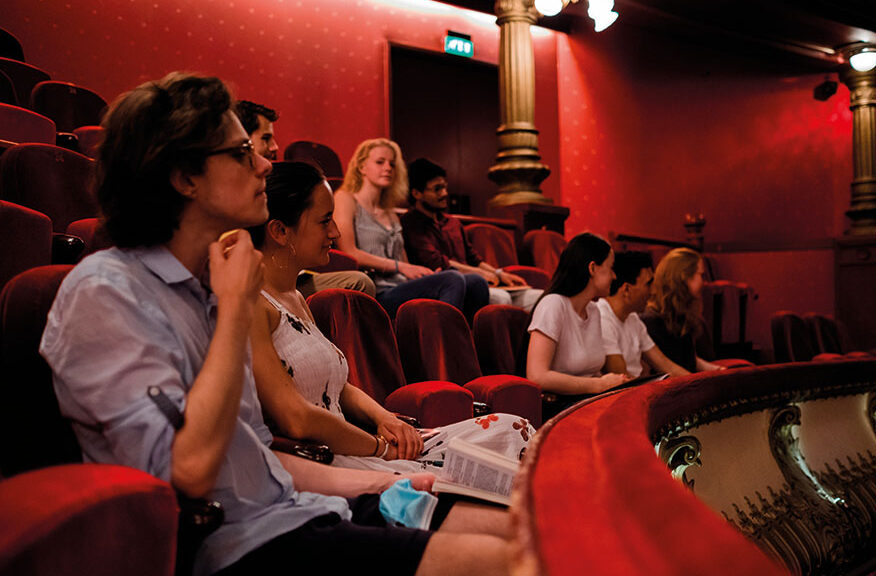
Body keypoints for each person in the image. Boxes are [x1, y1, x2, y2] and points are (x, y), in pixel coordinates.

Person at [39, 73, 510, 576]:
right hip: (235, 546)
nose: (265, 163)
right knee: (515, 562)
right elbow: (190, 472)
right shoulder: (107, 292)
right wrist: (235, 305)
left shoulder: (210, 285)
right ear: (185, 177)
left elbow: (258, 460)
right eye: (242, 152)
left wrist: (386, 480)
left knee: (524, 525)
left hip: (301, 509)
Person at [248, 161, 534, 474]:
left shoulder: (297, 299)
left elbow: (337, 384)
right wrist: (381, 447)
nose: (336, 232)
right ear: (279, 230)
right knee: (494, 473)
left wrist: (384, 417)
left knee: (511, 429)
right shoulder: (254, 306)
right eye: (325, 221)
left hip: (367, 445)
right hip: (332, 460)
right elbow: (298, 418)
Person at [235, 99, 376, 298]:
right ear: (241, 140)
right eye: (266, 138)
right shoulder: (231, 194)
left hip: (289, 273)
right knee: (358, 283)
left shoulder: (268, 184)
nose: (275, 147)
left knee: (358, 281)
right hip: (254, 283)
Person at [333, 138, 488, 318]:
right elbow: (349, 252)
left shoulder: (390, 213)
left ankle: (463, 341)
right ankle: (442, 343)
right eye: (380, 162)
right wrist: (401, 267)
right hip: (377, 290)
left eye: (392, 164)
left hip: (400, 284)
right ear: (361, 167)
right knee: (452, 279)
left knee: (476, 281)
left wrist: (422, 274)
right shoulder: (345, 199)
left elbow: (404, 262)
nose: (388, 168)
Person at [401, 158, 542, 312]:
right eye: (437, 189)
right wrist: (481, 274)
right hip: (452, 287)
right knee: (502, 299)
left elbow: (473, 257)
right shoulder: (410, 223)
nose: (445, 193)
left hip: (479, 280)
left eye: (445, 187)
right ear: (416, 193)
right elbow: (436, 262)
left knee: (538, 297)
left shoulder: (452, 223)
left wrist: (499, 273)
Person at [526, 233, 631, 395]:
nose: (614, 276)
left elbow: (592, 373)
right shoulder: (553, 304)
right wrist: (598, 385)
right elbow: (537, 376)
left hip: (589, 400)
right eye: (611, 268)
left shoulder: (593, 310)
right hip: (559, 406)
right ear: (592, 268)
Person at [597, 251, 690, 378]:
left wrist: (700, 385)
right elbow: (623, 379)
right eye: (648, 284)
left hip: (638, 389)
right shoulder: (602, 317)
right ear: (627, 289)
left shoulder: (632, 318)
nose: (653, 291)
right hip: (623, 393)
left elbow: (666, 365)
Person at [639, 247, 725, 373]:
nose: (704, 282)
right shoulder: (650, 321)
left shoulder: (682, 314)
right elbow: (666, 371)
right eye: (701, 275)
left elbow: (689, 360)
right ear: (684, 277)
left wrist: (718, 371)